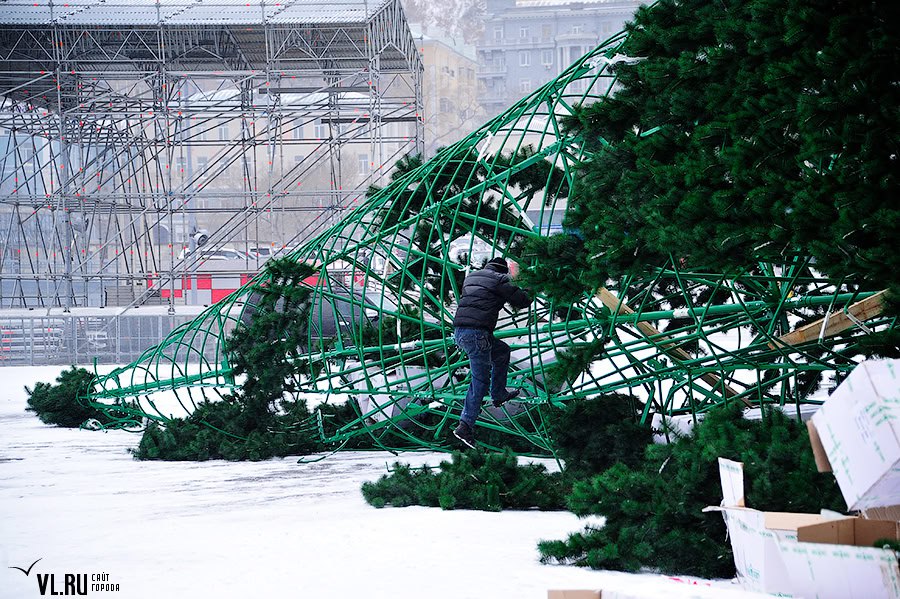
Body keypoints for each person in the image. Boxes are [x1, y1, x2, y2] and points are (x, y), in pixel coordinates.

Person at [451, 256, 532, 448]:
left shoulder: (472, 277)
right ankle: (465, 425)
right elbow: (522, 301)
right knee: (479, 380)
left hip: (460, 332)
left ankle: (498, 394)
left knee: (502, 351)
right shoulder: (499, 279)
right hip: (478, 334)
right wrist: (529, 284)